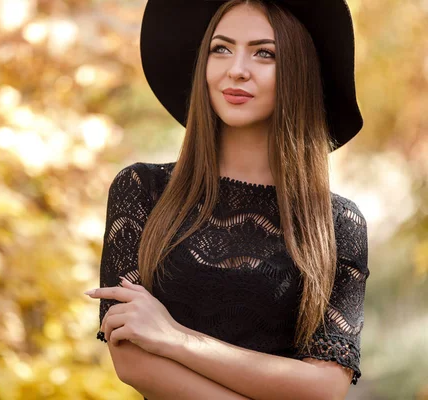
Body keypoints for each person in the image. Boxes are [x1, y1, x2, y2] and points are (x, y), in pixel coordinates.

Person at [85, 0, 370, 399]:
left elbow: (324, 387)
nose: (237, 69)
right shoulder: (142, 190)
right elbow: (131, 359)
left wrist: (177, 338)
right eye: (221, 48)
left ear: (298, 72)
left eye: (264, 53)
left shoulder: (338, 224)